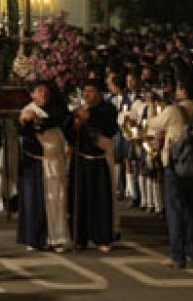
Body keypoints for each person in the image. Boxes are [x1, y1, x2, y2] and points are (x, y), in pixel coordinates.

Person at [149, 77, 193, 268]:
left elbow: (154, 124)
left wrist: (154, 107)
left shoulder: (172, 110)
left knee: (175, 211)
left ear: (183, 90)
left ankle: (177, 254)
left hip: (175, 165)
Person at [17, 80, 71, 252]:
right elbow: (22, 131)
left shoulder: (58, 109)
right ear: (32, 94)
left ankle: (58, 237)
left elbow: (58, 121)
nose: (43, 93)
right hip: (36, 162)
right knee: (35, 201)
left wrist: (38, 120)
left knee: (57, 198)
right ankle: (35, 238)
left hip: (55, 161)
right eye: (39, 91)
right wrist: (25, 121)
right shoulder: (27, 110)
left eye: (45, 90)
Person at [64, 78, 118, 252]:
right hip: (80, 159)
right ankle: (79, 238)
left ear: (99, 93)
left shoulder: (108, 109)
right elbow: (68, 132)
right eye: (85, 91)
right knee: (78, 198)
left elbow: (109, 127)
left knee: (100, 199)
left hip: (99, 159)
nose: (87, 94)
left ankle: (102, 237)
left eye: (91, 91)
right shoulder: (78, 111)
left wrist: (90, 117)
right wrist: (74, 126)